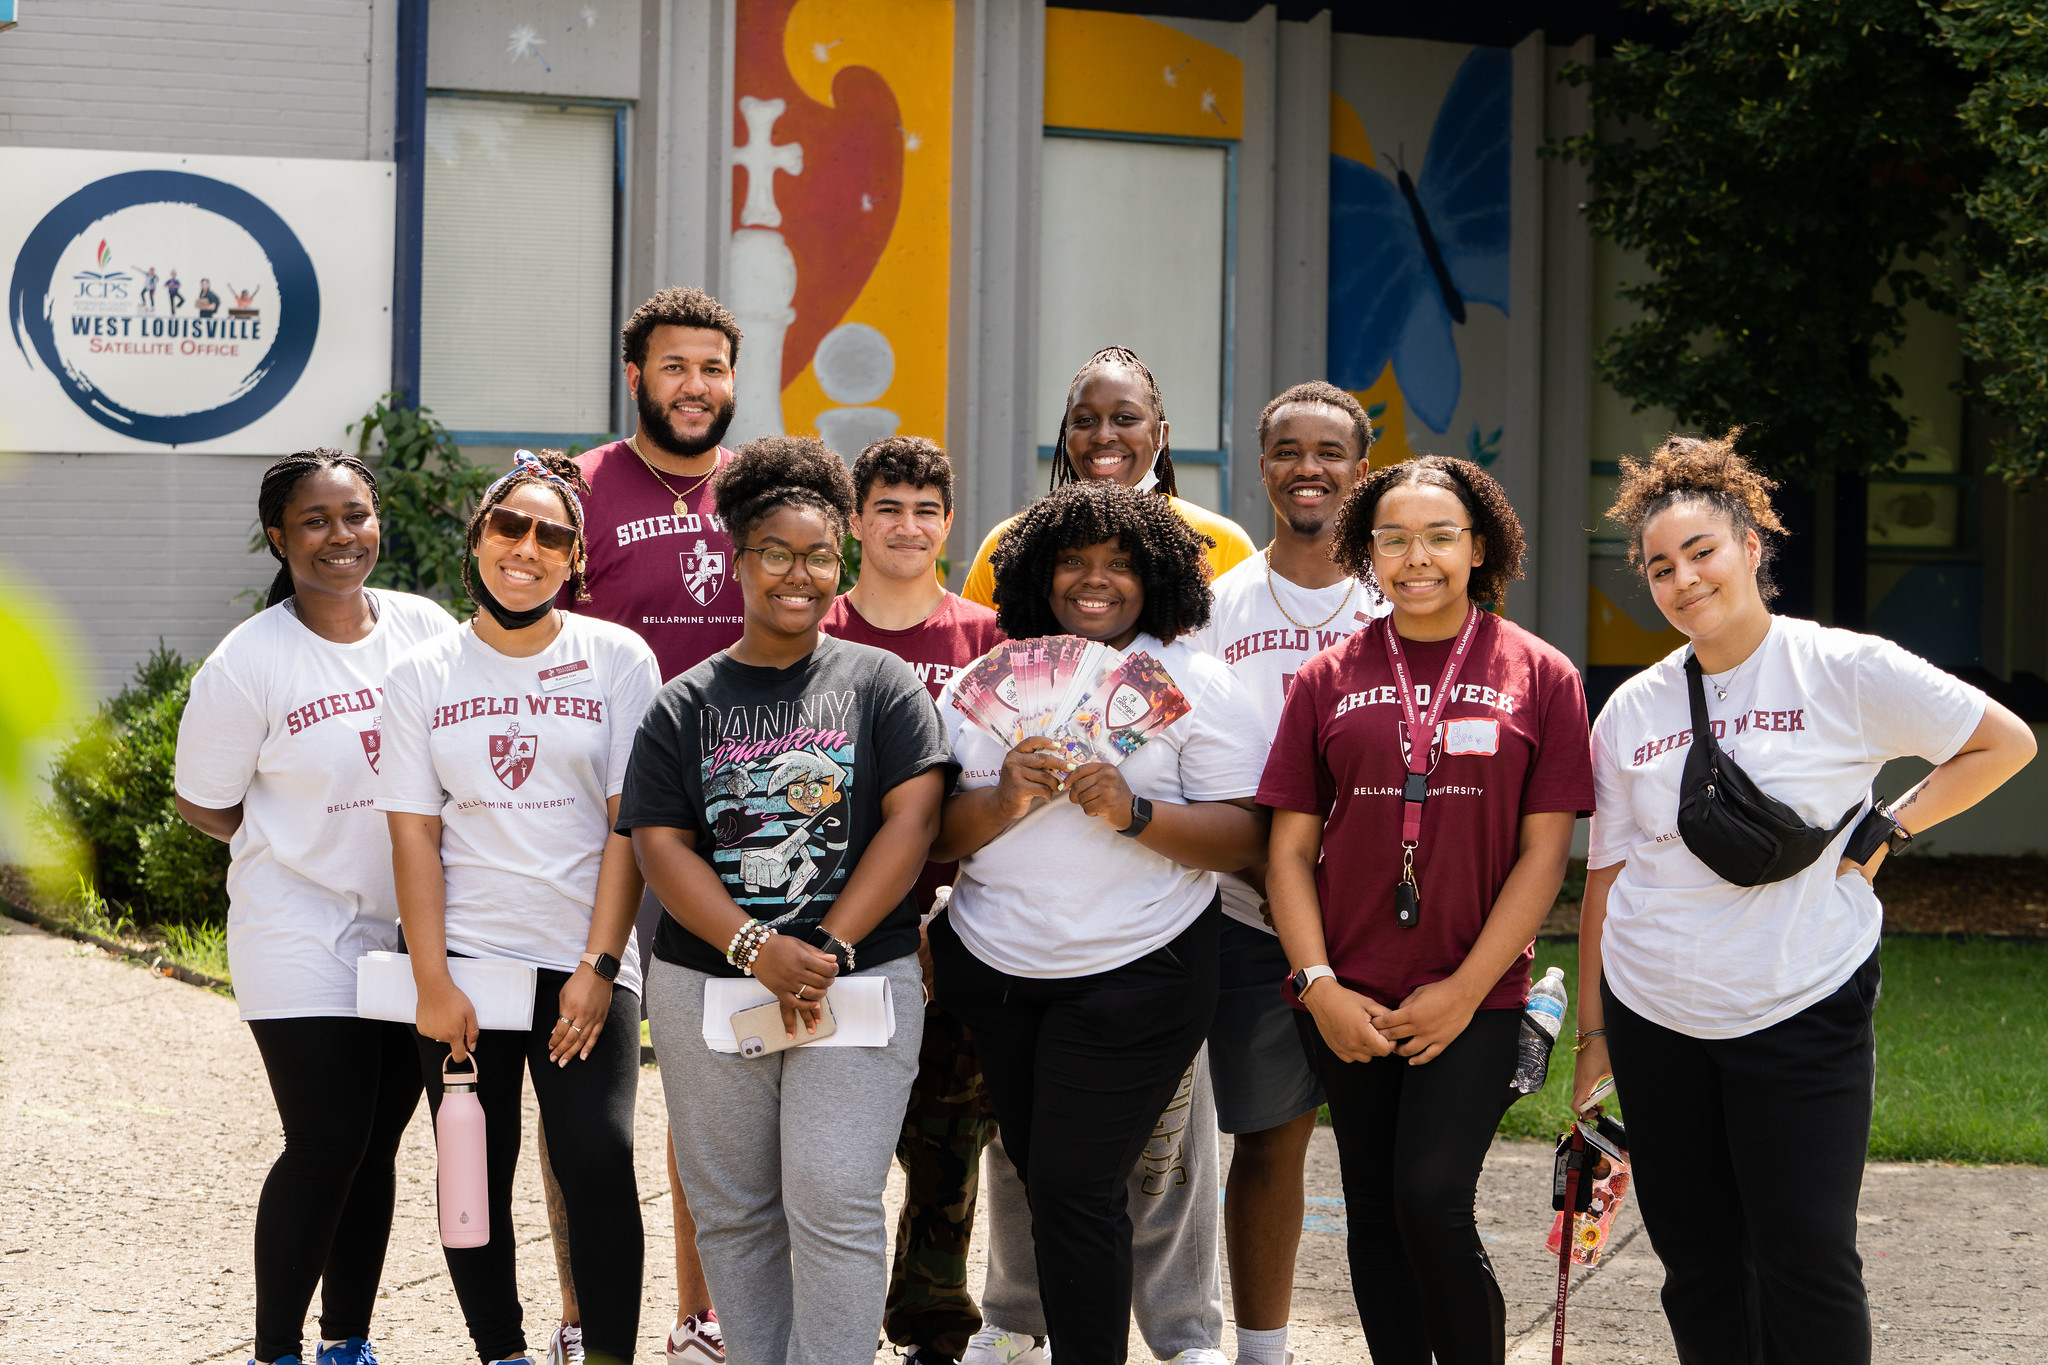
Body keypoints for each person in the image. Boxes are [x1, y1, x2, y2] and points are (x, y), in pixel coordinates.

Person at [1573, 433, 2036, 1364]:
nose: (1683, 579)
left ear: (1751, 547)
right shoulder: (1632, 709)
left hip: (1800, 1003)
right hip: (1655, 1014)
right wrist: (1594, 1034)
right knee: (1695, 1260)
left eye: (1702, 552)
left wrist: (1889, 827)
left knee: (1806, 1255)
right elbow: (1607, 876)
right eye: (1661, 567)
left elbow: (2004, 741)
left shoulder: (1843, 667)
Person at [622, 437, 956, 1365]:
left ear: (838, 561)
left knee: (835, 1194)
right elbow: (660, 843)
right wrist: (752, 948)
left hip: (859, 976)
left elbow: (912, 820)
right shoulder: (682, 704)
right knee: (733, 1208)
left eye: (817, 556)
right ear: (739, 559)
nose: (798, 574)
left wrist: (830, 947)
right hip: (709, 983)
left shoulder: (880, 684)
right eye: (776, 552)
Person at [929, 480, 1271, 1365]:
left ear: (1155, 576)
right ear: (1038, 573)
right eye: (1074, 560)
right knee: (1051, 1185)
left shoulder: (1198, 682)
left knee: (1076, 1188)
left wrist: (1138, 813)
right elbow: (937, 838)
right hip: (999, 973)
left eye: (1121, 563)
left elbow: (1248, 838)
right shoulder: (980, 683)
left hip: (1138, 976)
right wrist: (1002, 797)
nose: (1096, 579)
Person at [1261, 454, 1593, 1365]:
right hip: (1347, 999)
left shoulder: (1542, 674)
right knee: (1371, 1208)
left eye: (1440, 536)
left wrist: (1466, 988)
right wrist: (1318, 984)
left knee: (1431, 1198)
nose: (1418, 557)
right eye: (1394, 538)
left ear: (1478, 545)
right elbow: (1287, 850)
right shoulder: (1325, 676)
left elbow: (1545, 855)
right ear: (1368, 551)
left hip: (1476, 997)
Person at [173, 451, 456, 1365]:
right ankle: (274, 1350)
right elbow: (203, 801)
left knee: (375, 1147)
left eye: (355, 515)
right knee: (327, 1136)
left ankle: (347, 1341)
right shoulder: (250, 659)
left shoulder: (423, 627)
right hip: (297, 930)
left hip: (413, 935)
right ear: (279, 537)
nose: (342, 536)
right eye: (316, 521)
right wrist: (297, 848)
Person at [378, 449, 659, 1365]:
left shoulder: (617, 657)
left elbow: (630, 828)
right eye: (510, 526)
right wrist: (432, 980)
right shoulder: (423, 670)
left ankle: (609, 1355)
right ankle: (502, 1351)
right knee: (472, 1173)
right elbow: (415, 836)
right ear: (479, 540)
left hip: (583, 963)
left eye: (552, 534)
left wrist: (600, 966)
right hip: (467, 970)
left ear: (576, 558)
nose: (527, 547)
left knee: (598, 1160)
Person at [552, 284, 746, 1365]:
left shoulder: (759, 488)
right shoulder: (580, 491)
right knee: (582, 1081)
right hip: (598, 825)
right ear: (636, 377)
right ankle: (584, 1319)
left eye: (711, 368)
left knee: (708, 1085)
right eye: (674, 367)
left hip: (738, 820)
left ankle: (700, 1317)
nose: (693, 387)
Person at [1182, 382, 1388, 1365]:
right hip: (1247, 916)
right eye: (1287, 451)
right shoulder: (1216, 609)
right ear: (1260, 467)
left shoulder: (1403, 597)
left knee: (1402, 1164)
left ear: (1362, 466)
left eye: (1329, 451)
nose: (1308, 469)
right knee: (1266, 1141)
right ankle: (1260, 1350)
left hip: (1390, 923)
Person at [819, 436, 1004, 1365]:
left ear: (949, 522)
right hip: (836, 929)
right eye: (888, 507)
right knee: (838, 1153)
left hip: (959, 929)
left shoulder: (989, 639)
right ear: (856, 520)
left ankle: (934, 1329)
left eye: (926, 510)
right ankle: (828, 1326)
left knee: (946, 1151)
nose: (907, 526)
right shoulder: (816, 631)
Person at [960, 346, 1255, 608]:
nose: (1103, 435)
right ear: (1066, 437)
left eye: (1125, 419)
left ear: (1160, 435)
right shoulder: (1010, 544)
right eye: (1085, 421)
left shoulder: (1225, 544)